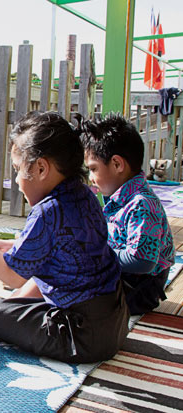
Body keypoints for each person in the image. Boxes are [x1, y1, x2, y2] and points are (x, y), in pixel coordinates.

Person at [0, 111, 129, 363]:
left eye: (17, 170)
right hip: (116, 318)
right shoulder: (85, 194)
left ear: (40, 167)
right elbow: (69, 246)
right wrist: (13, 246)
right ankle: (9, 310)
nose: (15, 180)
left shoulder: (48, 211)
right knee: (30, 287)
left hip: (79, 335)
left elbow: (12, 276)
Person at [81, 114, 175, 315]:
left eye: (93, 169)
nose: (90, 177)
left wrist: (95, 255)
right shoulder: (122, 197)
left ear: (117, 165)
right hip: (127, 278)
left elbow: (141, 261)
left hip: (140, 288)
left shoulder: (141, 204)